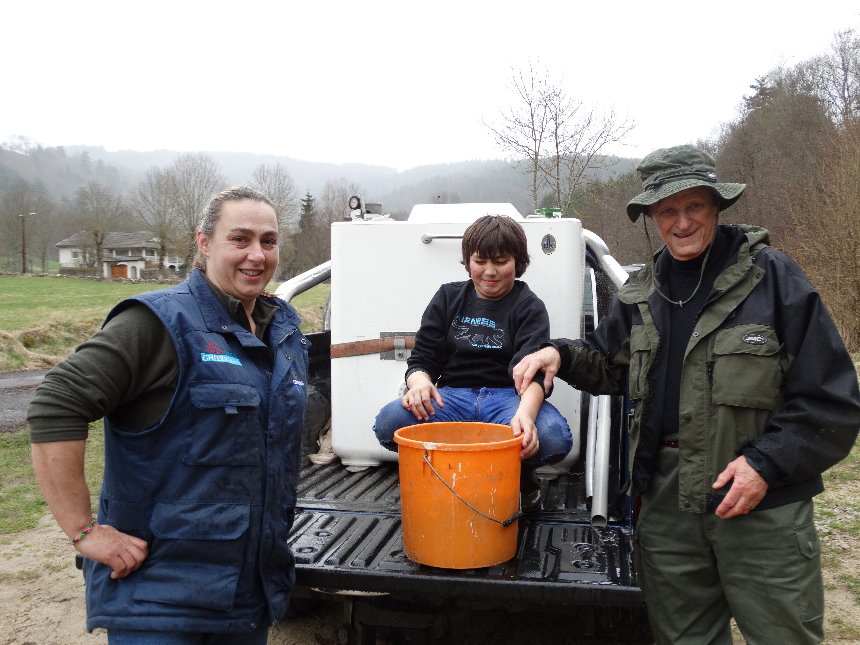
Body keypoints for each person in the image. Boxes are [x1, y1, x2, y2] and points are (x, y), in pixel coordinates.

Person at [512, 145, 860, 644]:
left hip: (759, 503)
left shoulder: (772, 278)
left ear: (716, 207)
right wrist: (559, 356)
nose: (681, 222)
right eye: (667, 211)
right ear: (652, 216)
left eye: (693, 206)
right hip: (667, 503)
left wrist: (766, 465)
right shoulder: (641, 290)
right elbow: (609, 365)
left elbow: (832, 400)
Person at [28, 186, 309, 644]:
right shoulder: (158, 322)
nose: (256, 254)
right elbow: (58, 402)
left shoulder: (283, 332)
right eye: (239, 239)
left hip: (248, 595)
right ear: (203, 242)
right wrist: (83, 531)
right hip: (161, 602)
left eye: (268, 241)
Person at [373, 214, 573, 509]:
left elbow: (534, 375)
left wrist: (526, 418)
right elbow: (423, 358)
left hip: (509, 399)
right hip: (450, 398)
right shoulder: (447, 296)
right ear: (468, 261)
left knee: (553, 436)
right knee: (390, 421)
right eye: (480, 261)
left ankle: (522, 479)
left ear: (518, 262)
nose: (489, 272)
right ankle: (448, 476)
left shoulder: (529, 306)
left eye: (501, 261)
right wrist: (419, 384)